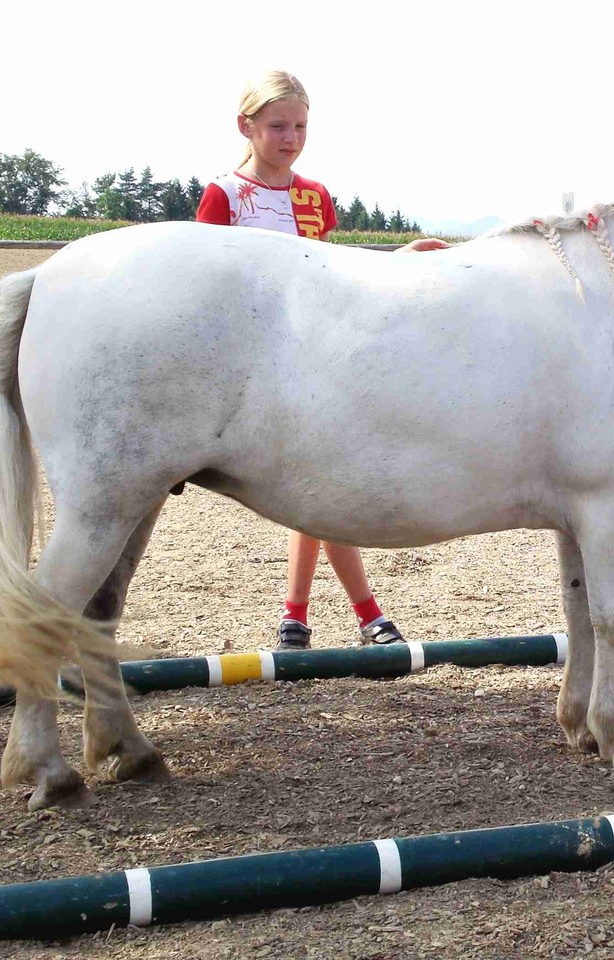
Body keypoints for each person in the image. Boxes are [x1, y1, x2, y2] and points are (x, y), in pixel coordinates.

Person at [196, 70, 447, 651]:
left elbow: (324, 272)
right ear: (247, 127)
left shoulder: (315, 197)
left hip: (310, 359)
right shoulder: (225, 196)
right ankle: (357, 614)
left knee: (319, 490)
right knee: (319, 491)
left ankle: (306, 616)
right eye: (278, 125)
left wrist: (393, 259)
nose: (291, 137)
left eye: (300, 125)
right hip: (250, 368)